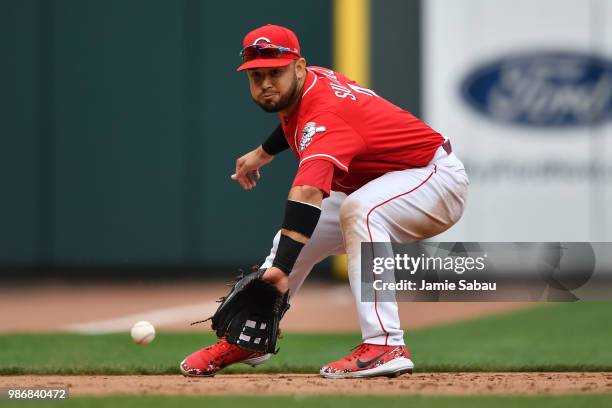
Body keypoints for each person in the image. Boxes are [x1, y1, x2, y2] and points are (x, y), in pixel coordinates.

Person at [180, 24, 468, 379]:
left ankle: (385, 345)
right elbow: (293, 120)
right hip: (384, 181)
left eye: (276, 72)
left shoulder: (327, 116)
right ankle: (249, 339)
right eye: (257, 75)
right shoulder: (311, 81)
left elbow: (307, 193)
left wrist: (281, 271)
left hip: (435, 180)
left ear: (298, 67)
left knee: (361, 211)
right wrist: (262, 153)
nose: (266, 83)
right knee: (294, 243)